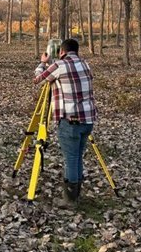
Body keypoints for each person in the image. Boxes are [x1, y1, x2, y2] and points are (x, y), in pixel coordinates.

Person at [33, 38, 97, 207]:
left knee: (70, 159)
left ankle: (70, 200)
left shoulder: (59, 66)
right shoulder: (85, 64)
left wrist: (43, 63)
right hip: (88, 120)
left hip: (70, 121)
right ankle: (76, 195)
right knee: (77, 157)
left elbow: (38, 78)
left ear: (61, 52)